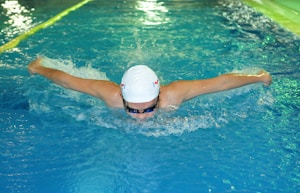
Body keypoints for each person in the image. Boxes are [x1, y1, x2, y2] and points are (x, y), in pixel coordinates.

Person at [28, 57, 272, 120]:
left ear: (159, 98)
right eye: (133, 111)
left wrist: (258, 77)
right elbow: (67, 80)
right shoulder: (110, 94)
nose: (141, 119)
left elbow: (220, 83)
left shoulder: (175, 93)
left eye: (148, 110)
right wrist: (39, 69)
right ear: (123, 99)